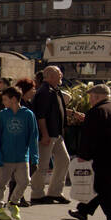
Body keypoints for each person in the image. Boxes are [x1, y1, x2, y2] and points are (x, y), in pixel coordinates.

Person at [70, 84, 111, 220]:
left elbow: (89, 136)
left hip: (104, 157)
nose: (90, 100)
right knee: (101, 185)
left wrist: (83, 155)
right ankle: (83, 210)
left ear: (97, 97)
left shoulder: (97, 111)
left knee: (104, 186)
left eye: (91, 97)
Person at [0, 86, 38, 220]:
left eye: (5, 99)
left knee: (24, 181)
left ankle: (13, 202)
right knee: (1, 184)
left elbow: (33, 136)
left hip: (23, 156)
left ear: (13, 99)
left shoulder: (28, 114)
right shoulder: (2, 114)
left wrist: (34, 156)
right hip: (5, 157)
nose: (3, 102)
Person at [26, 65, 71, 204]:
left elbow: (56, 110)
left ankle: (55, 192)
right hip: (48, 134)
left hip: (56, 133)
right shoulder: (45, 92)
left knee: (64, 160)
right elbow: (41, 116)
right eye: (59, 74)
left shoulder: (53, 90)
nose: (61, 75)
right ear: (50, 76)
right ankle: (37, 194)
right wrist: (44, 134)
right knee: (43, 165)